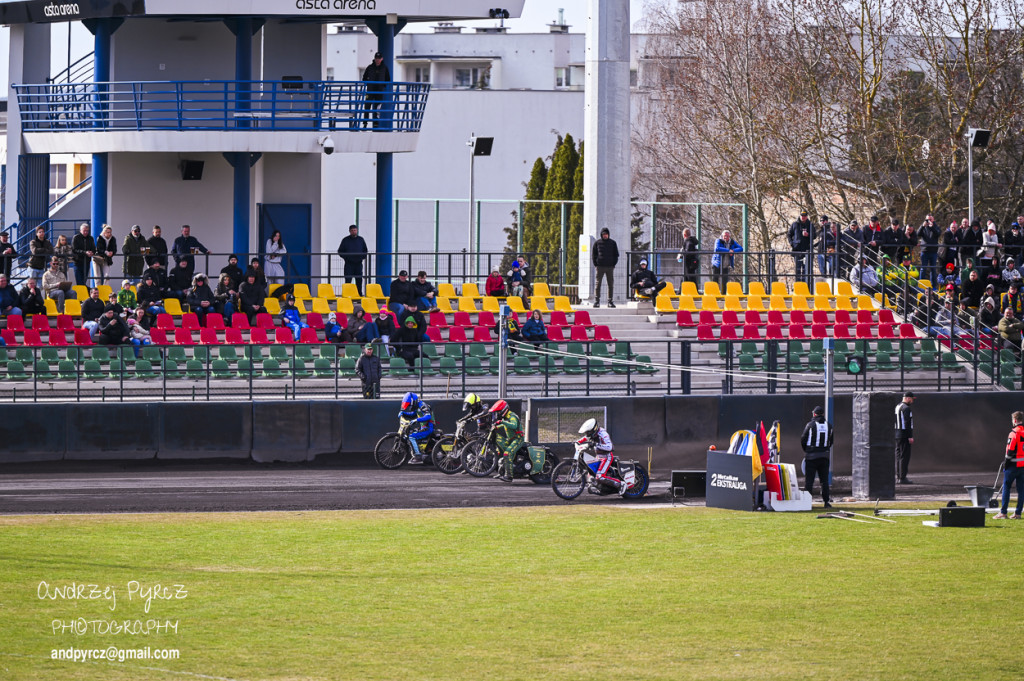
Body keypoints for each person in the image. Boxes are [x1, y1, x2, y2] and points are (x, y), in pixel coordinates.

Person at [577, 417, 628, 495]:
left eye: (588, 432)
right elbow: (585, 438)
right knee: (590, 471)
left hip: (606, 457)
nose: (587, 434)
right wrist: (577, 442)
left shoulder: (603, 434)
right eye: (587, 432)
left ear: (593, 430)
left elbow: (610, 447)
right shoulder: (593, 433)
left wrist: (596, 444)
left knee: (600, 477)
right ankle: (601, 487)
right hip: (599, 456)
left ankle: (620, 484)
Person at [801, 405, 834, 508]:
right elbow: (831, 441)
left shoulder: (810, 425)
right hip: (824, 457)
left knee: (809, 481)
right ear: (823, 414)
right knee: (824, 481)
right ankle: (826, 502)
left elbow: (803, 439)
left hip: (811, 457)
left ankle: (807, 503)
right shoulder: (829, 425)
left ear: (814, 414)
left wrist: (807, 451)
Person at [994, 410, 1024, 520]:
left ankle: (1003, 512)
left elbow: (1010, 451)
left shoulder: (1013, 433)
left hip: (1012, 466)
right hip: (1022, 466)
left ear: (1015, 420)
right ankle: (1018, 513)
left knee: (1006, 487)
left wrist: (1006, 464)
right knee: (1021, 490)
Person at [490, 400, 524, 482]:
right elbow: (506, 424)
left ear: (503, 410)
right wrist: (497, 427)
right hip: (510, 439)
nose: (497, 414)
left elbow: (513, 425)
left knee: (507, 453)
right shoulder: (506, 417)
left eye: (498, 412)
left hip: (518, 439)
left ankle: (509, 476)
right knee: (500, 451)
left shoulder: (512, 416)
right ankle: (502, 473)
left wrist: (502, 422)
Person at [399, 392, 434, 463]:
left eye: (410, 405)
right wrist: (403, 413)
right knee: (411, 433)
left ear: (413, 402)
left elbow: (428, 416)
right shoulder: (418, 406)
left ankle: (418, 456)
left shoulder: (423, 405)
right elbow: (413, 414)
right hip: (423, 428)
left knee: (411, 437)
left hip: (428, 428)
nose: (410, 407)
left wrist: (416, 420)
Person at [362, 51, 391, 129]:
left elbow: (388, 79)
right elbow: (364, 78)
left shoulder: (384, 68)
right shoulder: (370, 67)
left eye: (379, 58)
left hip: (379, 91)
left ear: (382, 59)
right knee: (367, 106)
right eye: (376, 58)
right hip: (370, 90)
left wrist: (382, 86)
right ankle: (365, 123)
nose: (377, 60)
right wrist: (368, 84)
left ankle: (376, 123)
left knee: (377, 108)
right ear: (374, 59)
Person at [337, 224, 368, 296]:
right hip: (349, 263)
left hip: (358, 263)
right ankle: (347, 295)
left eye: (355, 230)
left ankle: (359, 295)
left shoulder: (361, 239)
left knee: (359, 280)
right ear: (349, 231)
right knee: (348, 280)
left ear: (357, 230)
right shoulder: (345, 240)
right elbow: (340, 251)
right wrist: (347, 258)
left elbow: (365, 250)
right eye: (352, 230)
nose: (354, 232)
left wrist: (362, 257)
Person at [592, 227, 619, 308]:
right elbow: (594, 255)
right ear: (601, 235)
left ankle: (610, 301)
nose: (605, 236)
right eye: (604, 234)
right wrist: (595, 265)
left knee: (610, 284)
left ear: (608, 235)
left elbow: (616, 255)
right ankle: (597, 301)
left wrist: (614, 264)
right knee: (598, 284)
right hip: (600, 267)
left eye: (606, 234)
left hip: (610, 267)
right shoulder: (597, 243)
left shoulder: (613, 243)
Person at [895, 391, 915, 485]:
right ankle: (902, 478)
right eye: (911, 399)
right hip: (904, 435)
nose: (912, 401)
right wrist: (910, 436)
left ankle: (899, 476)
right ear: (907, 398)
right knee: (904, 456)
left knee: (898, 456)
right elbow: (908, 423)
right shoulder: (906, 408)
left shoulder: (897, 406)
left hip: (897, 434)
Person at [788, 211, 815, 280]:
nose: (803, 217)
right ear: (800, 216)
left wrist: (808, 234)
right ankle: (798, 284)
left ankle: (805, 284)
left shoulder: (810, 225)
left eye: (805, 216)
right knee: (798, 269)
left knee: (806, 269)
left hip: (806, 249)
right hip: (797, 249)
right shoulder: (794, 224)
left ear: (807, 216)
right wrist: (792, 244)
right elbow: (789, 235)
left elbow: (815, 235)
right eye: (802, 215)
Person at [919, 214, 941, 287]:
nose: (929, 221)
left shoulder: (936, 227)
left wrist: (932, 227)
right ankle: (921, 285)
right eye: (927, 219)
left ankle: (933, 286)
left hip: (933, 251)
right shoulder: (923, 227)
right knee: (923, 269)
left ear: (933, 220)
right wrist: (922, 226)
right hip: (924, 251)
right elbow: (918, 234)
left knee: (933, 270)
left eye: (930, 219)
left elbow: (938, 234)